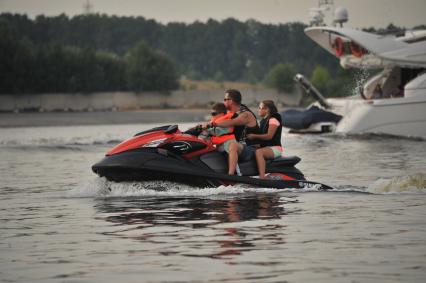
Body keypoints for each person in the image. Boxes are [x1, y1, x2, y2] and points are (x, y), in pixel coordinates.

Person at [211, 89, 259, 175]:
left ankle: (231, 175)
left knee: (232, 145)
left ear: (231, 101)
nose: (223, 101)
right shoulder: (229, 114)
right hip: (239, 147)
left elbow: (231, 122)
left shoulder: (245, 114)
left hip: (251, 149)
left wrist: (213, 124)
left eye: (225, 99)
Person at [246, 100, 283, 179]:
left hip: (275, 148)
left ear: (267, 109)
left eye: (260, 108)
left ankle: (262, 176)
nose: (258, 110)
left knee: (259, 152)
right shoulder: (263, 121)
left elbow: (269, 136)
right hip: (266, 147)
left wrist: (253, 136)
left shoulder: (273, 119)